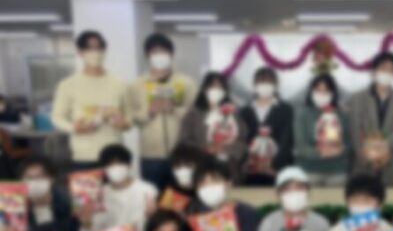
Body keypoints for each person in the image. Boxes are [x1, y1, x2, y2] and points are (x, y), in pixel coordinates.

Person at [51, 31, 133, 171]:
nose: (95, 52)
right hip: (83, 156)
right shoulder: (67, 84)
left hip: (114, 155)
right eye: (90, 48)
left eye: (99, 48)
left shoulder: (120, 84)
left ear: (105, 51)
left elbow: (129, 116)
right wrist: (74, 128)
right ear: (80, 52)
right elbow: (57, 117)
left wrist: (125, 124)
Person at [132, 33, 197, 191]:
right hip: (150, 154)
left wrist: (175, 109)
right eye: (155, 52)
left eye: (164, 52)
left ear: (172, 55)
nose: (160, 56)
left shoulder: (186, 82)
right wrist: (149, 112)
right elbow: (133, 116)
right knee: (153, 196)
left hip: (182, 153)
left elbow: (195, 114)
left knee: (183, 196)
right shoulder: (137, 84)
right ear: (147, 56)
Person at [6, 156, 87, 231]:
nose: (35, 182)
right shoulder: (14, 207)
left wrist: (86, 223)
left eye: (40, 177)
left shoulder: (71, 201)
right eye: (29, 178)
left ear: (51, 178)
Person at [348, 52, 393, 185]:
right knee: (363, 194)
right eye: (383, 68)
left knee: (392, 197)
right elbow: (354, 131)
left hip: (392, 160)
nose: (387, 73)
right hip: (363, 162)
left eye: (391, 70)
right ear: (374, 71)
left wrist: (383, 147)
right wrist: (367, 157)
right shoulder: (357, 99)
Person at [179, 72, 247, 184]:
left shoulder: (235, 114)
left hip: (228, 168)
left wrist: (224, 149)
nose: (216, 90)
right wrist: (205, 147)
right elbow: (184, 141)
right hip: (200, 167)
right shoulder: (193, 114)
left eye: (220, 87)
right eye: (212, 86)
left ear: (225, 91)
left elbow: (243, 143)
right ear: (204, 89)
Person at [76, 144, 157, 231]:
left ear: (129, 165)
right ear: (104, 169)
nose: (115, 168)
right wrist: (87, 223)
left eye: (119, 164)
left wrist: (153, 216)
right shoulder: (98, 194)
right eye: (110, 165)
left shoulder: (147, 190)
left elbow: (156, 226)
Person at [294, 73, 351, 186]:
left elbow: (349, 143)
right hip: (309, 170)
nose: (322, 94)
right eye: (318, 90)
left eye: (326, 91)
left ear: (333, 94)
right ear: (311, 92)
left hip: (337, 171)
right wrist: (321, 153)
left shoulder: (342, 115)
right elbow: (300, 146)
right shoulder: (302, 114)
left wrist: (340, 150)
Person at [240, 67, 294, 186]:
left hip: (278, 170)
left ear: (275, 85)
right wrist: (251, 162)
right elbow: (242, 139)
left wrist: (274, 164)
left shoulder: (286, 109)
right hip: (251, 171)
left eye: (269, 82)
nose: (264, 86)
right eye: (261, 82)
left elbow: (287, 141)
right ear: (254, 85)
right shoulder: (245, 111)